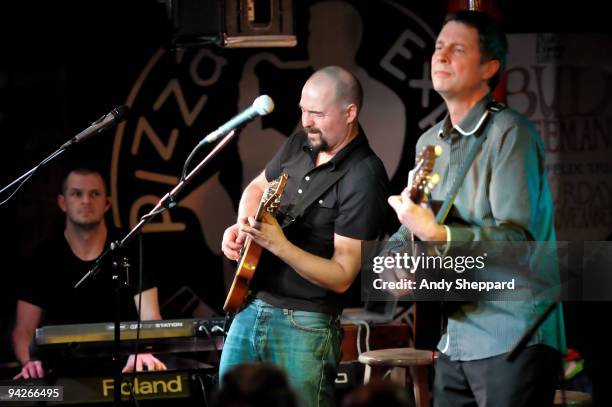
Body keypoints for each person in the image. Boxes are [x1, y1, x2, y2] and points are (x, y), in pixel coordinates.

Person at [386, 10, 565, 407]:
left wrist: (439, 235)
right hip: (456, 338)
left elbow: (518, 241)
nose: (441, 56)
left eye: (457, 48)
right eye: (438, 47)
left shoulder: (511, 134)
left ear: (489, 67)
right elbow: (411, 222)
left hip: (514, 335)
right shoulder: (429, 142)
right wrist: (393, 260)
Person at [220, 66, 389, 406]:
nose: (306, 121)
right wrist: (243, 225)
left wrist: (280, 245)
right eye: (302, 110)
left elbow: (342, 276)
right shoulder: (299, 143)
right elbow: (256, 186)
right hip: (251, 305)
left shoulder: (364, 175)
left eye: (316, 113)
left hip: (306, 322)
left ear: (350, 113)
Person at [12, 167, 167, 379]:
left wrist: (144, 351)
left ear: (107, 203)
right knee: (11, 395)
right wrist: (29, 362)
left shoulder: (130, 248)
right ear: (62, 203)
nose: (86, 201)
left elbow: (151, 318)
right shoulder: (42, 259)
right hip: (60, 374)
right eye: (77, 194)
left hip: (125, 370)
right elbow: (23, 330)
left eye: (95, 194)